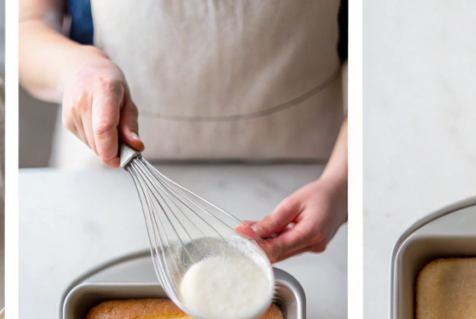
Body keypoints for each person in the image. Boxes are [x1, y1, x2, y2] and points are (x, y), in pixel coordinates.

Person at [19, 0, 347, 263]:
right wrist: (77, 69)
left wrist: (342, 182)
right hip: (106, 167)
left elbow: (386, 58)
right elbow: (25, 27)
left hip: (315, 170)